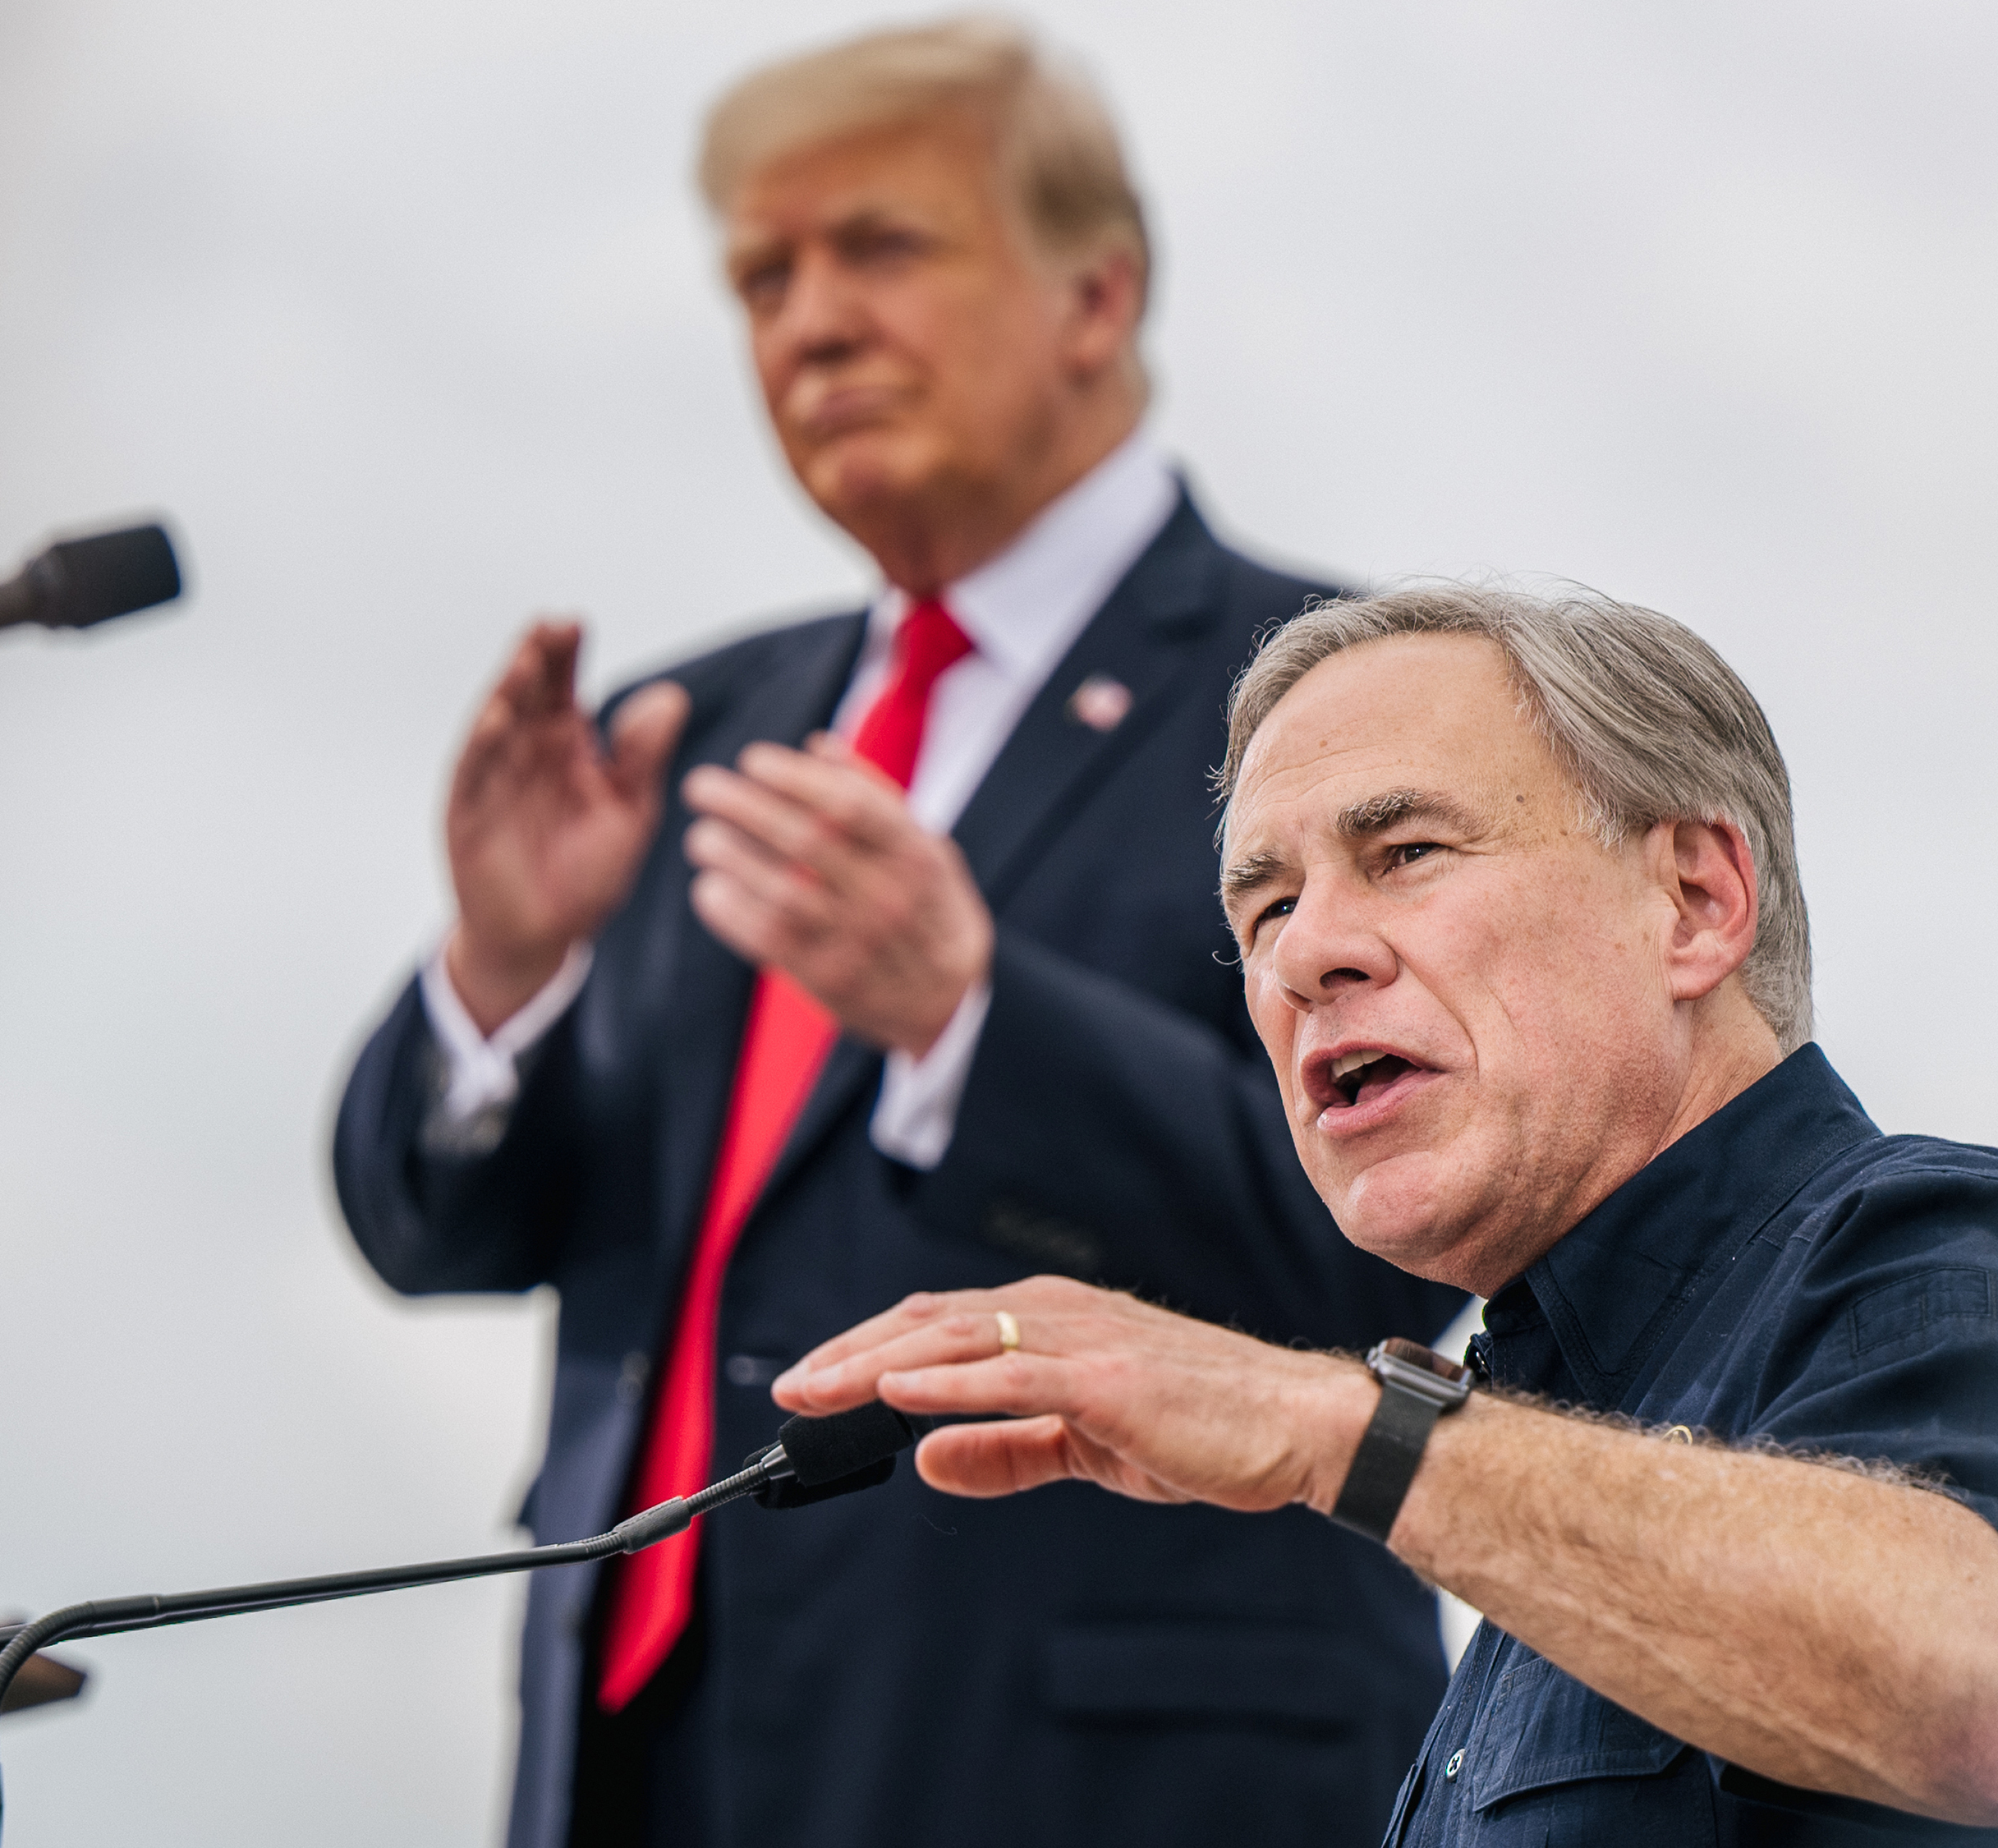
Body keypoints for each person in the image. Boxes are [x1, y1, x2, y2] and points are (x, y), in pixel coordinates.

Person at [331, 19, 1463, 1848]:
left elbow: (1406, 1249)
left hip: (1111, 1773)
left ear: (1097, 293)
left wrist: (971, 1021)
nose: (810, 323)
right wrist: (503, 975)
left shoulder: (1350, 702)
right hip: (634, 1765)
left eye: (882, 247)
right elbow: (426, 1225)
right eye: (765, 278)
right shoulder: (687, 736)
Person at [775, 582, 1998, 1845]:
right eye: (1264, 907)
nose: (1309, 951)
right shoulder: (1544, 1493)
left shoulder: (1943, 1251)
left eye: (1407, 852)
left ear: (1698, 902)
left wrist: (1324, 1422)